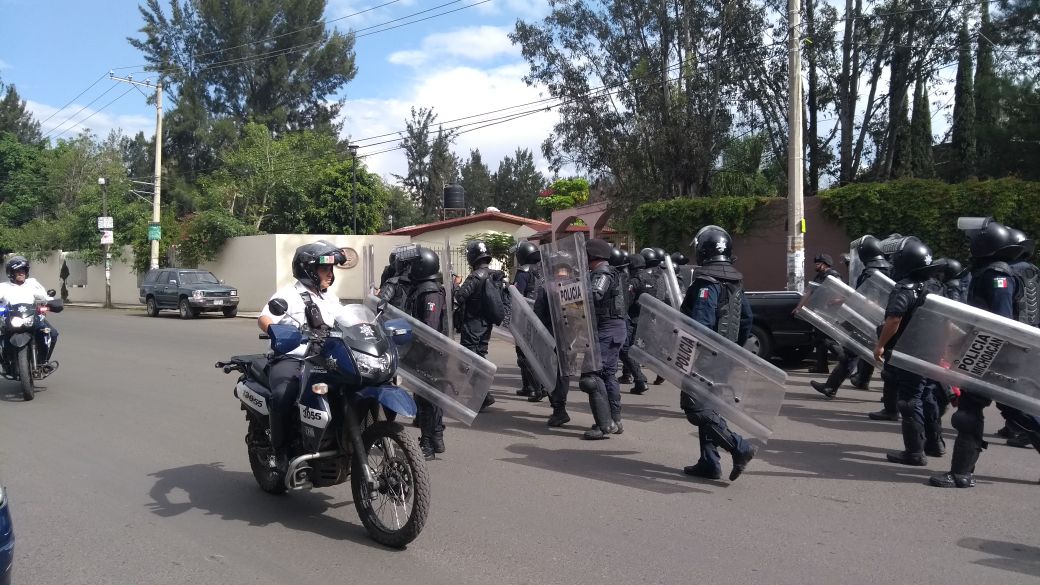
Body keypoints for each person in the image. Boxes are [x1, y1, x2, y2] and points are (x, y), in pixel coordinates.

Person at [931, 220, 1040, 488]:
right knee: (1015, 410)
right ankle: (961, 473)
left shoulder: (996, 275)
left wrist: (977, 351)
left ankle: (961, 474)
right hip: (998, 351)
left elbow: (1000, 320)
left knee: (972, 411)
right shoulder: (999, 271)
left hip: (992, 351)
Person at [257, 241, 347, 471]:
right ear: (308, 270)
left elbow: (349, 321)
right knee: (283, 393)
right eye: (324, 269)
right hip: (293, 358)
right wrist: (276, 332)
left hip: (324, 358)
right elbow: (265, 319)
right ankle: (279, 451)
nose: (330, 273)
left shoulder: (330, 298)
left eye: (331, 269)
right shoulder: (288, 295)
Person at [677, 225, 757, 481]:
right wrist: (735, 348)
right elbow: (747, 319)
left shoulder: (706, 283)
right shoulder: (735, 282)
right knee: (711, 407)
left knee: (696, 407)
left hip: (706, 356)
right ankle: (709, 462)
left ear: (703, 250)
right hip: (727, 354)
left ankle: (739, 447)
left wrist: (690, 351)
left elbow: (701, 324)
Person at [871, 237, 945, 466]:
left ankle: (914, 452)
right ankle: (934, 444)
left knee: (909, 401)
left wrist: (880, 345)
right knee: (928, 396)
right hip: (931, 350)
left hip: (908, 351)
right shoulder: (935, 287)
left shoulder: (905, 288)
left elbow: (894, 319)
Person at [811, 236, 891, 399]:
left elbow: (868, 299)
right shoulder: (888, 269)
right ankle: (862, 381)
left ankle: (831, 387)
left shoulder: (870, 272)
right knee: (865, 353)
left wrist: (853, 314)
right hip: (882, 320)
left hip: (867, 319)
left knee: (850, 353)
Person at [402, 247, 448, 460]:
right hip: (427, 353)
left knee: (427, 400)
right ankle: (436, 438)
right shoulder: (424, 288)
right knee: (430, 399)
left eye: (414, 264)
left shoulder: (429, 291)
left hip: (429, 355)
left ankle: (428, 444)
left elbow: (429, 328)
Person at [581, 238, 627, 439]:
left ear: (592, 255)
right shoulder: (612, 272)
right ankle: (614, 420)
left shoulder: (602, 273)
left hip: (607, 329)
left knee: (591, 377)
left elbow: (595, 295)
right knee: (608, 375)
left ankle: (604, 425)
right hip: (614, 328)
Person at [455, 240, 506, 411]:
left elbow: (460, 296)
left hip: (473, 323)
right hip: (487, 324)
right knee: (480, 356)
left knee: (468, 360)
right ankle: (483, 395)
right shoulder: (495, 275)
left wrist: (455, 287)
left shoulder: (476, 276)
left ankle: (482, 395)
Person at [534, 249, 574, 427]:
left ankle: (559, 409)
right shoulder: (576, 286)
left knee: (551, 372)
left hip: (550, 336)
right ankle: (560, 408)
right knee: (563, 374)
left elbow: (538, 315)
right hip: (571, 336)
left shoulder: (545, 288)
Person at [0, 256, 60, 355]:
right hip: (10, 319)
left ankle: (44, 360)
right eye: (18, 270)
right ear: (11, 272)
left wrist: (51, 302)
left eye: (23, 270)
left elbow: (44, 297)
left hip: (32, 317)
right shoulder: (3, 287)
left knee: (52, 333)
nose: (21, 273)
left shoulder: (32, 283)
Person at [513, 241, 547, 402]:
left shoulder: (523, 272)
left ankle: (536, 388)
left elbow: (517, 295)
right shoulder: (542, 271)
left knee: (524, 354)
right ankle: (528, 386)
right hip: (541, 316)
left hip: (526, 316)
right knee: (536, 353)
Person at [618, 252, 651, 394]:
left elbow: (627, 300)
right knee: (632, 349)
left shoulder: (635, 280)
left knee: (625, 349)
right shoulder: (652, 278)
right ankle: (632, 377)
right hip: (647, 320)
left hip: (633, 320)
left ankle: (640, 379)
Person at [807, 253, 842, 374]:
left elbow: (843, 294)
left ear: (825, 264)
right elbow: (811, 292)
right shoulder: (818, 277)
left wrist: (833, 302)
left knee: (828, 340)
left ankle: (846, 361)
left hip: (829, 313)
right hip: (819, 312)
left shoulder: (834, 276)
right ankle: (821, 366)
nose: (816, 266)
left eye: (818, 264)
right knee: (819, 340)